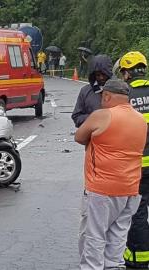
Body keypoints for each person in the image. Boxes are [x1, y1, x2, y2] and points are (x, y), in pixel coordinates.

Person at [75, 79, 147, 270]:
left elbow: (79, 137)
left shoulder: (102, 115)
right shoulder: (141, 120)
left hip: (102, 189)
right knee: (117, 237)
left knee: (94, 236)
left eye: (102, 98)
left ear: (107, 95)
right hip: (130, 189)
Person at [118, 51, 149, 269]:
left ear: (127, 72)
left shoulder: (125, 96)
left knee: (137, 212)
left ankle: (139, 259)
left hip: (136, 165)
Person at [71, 54, 113, 127]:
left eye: (104, 74)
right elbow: (76, 117)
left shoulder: (120, 90)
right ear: (93, 75)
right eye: (98, 75)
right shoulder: (85, 91)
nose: (101, 78)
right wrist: (94, 118)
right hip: (93, 135)